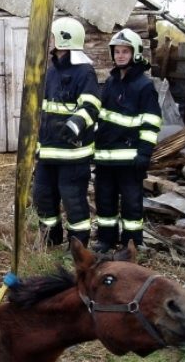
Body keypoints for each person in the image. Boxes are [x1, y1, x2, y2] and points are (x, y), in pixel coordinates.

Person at [33, 17, 101, 247]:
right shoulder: (51, 71)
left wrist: (72, 127)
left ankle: (78, 247)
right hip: (48, 152)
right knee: (42, 196)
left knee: (73, 201)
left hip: (73, 155)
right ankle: (50, 241)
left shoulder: (85, 72)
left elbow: (91, 106)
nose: (49, 41)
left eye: (53, 36)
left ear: (63, 39)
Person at [93, 28, 162, 252]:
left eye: (125, 51)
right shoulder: (110, 83)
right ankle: (106, 240)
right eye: (117, 51)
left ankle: (131, 243)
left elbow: (151, 124)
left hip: (130, 159)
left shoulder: (144, 86)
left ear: (136, 54)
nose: (120, 55)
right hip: (105, 158)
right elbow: (101, 119)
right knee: (105, 201)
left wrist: (144, 153)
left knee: (132, 205)